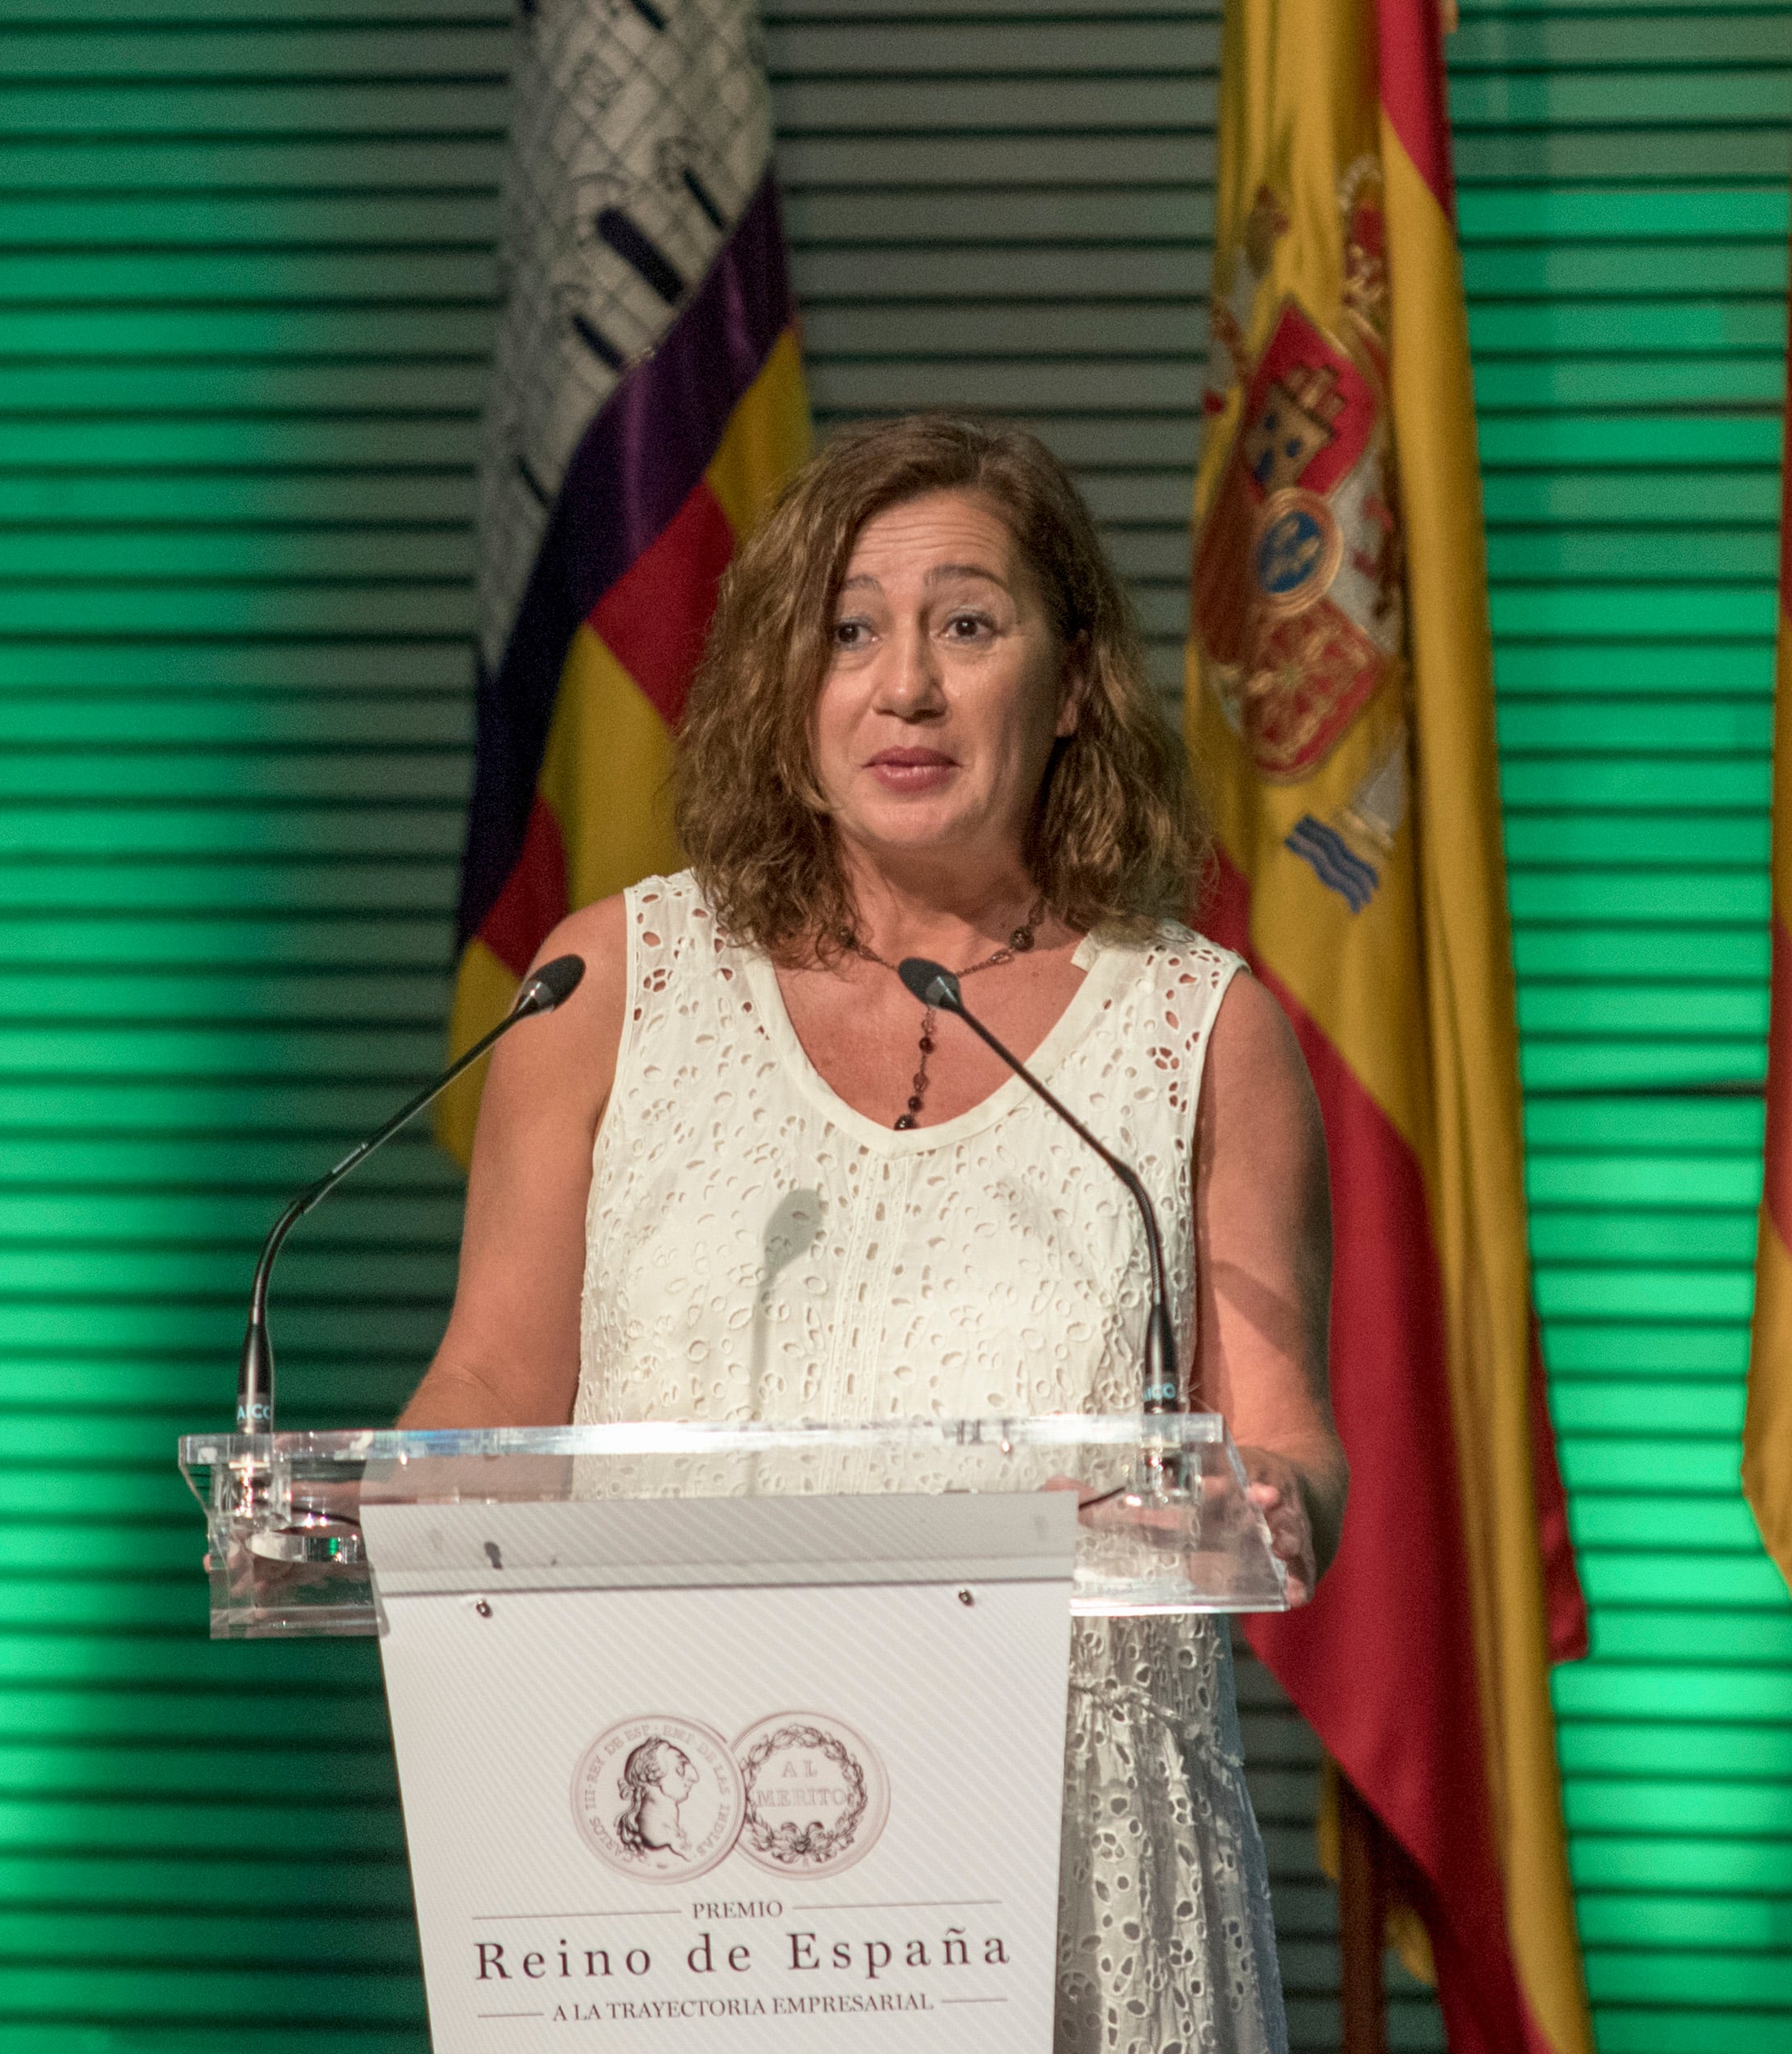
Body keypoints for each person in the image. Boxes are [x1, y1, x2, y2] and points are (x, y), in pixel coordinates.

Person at [402, 413, 1343, 2054]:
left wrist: (1264, 1495)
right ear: (788, 684)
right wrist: (387, 1521)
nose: (903, 684)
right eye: (848, 630)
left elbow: (1288, 1455)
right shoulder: (602, 986)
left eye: (966, 624)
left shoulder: (1202, 1029)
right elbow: (490, 1373)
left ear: (1072, 682)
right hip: (690, 1875)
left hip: (1072, 1872)